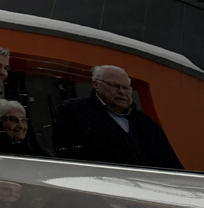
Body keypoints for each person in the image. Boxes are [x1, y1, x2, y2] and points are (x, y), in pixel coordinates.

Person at [54, 65, 182, 169]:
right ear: (96, 85)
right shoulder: (75, 111)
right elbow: (69, 155)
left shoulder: (145, 122)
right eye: (114, 86)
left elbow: (169, 162)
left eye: (126, 87)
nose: (122, 92)